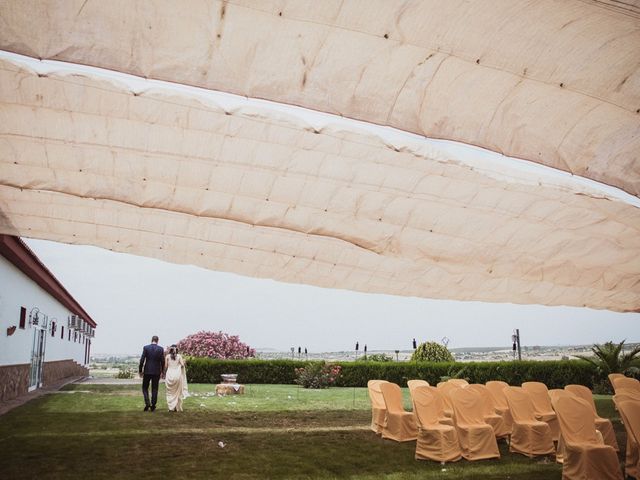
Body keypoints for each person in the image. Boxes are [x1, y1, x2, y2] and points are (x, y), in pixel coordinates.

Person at [139, 335, 164, 412]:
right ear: (157, 340)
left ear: (151, 340)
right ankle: (153, 405)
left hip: (147, 371)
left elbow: (142, 360)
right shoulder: (160, 349)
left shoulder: (146, 348)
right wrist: (162, 371)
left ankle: (147, 403)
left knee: (144, 388)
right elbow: (162, 361)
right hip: (156, 371)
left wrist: (140, 370)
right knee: (155, 389)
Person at [165, 344, 188, 412]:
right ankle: (176, 407)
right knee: (178, 392)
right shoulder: (179, 356)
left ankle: (171, 407)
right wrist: (184, 362)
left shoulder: (167, 356)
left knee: (170, 392)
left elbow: (166, 367)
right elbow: (182, 365)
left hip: (169, 376)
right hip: (177, 376)